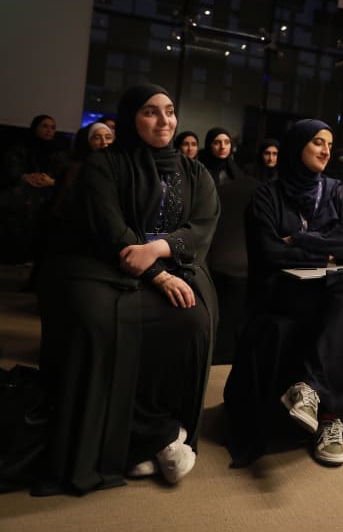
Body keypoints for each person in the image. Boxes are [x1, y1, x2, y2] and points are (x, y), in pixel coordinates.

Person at [36, 84, 219, 494]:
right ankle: (150, 438)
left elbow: (203, 226)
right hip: (104, 264)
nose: (164, 120)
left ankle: (156, 428)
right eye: (150, 112)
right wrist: (156, 274)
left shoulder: (195, 171)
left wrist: (159, 251)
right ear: (131, 118)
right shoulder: (104, 163)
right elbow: (108, 227)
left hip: (173, 262)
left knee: (192, 319)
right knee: (96, 320)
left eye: (169, 111)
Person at [224, 119, 343, 468]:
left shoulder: (336, 191)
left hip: (327, 290)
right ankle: (328, 415)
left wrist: (300, 239)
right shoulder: (266, 195)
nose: (326, 151)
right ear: (296, 147)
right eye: (318, 142)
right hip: (283, 292)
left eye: (330, 145)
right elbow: (269, 251)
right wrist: (323, 250)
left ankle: (309, 391)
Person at [1, 114, 70, 265]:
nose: (49, 130)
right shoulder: (21, 148)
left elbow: (64, 177)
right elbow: (11, 170)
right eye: (45, 126)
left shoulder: (60, 151)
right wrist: (24, 177)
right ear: (35, 127)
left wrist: (51, 181)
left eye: (53, 128)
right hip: (22, 190)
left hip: (49, 190)